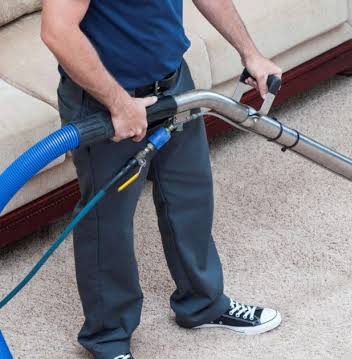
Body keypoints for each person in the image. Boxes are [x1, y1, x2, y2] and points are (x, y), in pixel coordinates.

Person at [40, 1, 284, 358]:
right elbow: (57, 31)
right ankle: (108, 338)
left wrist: (251, 53)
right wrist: (120, 104)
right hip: (104, 103)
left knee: (190, 195)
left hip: (173, 84)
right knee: (107, 220)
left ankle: (203, 303)